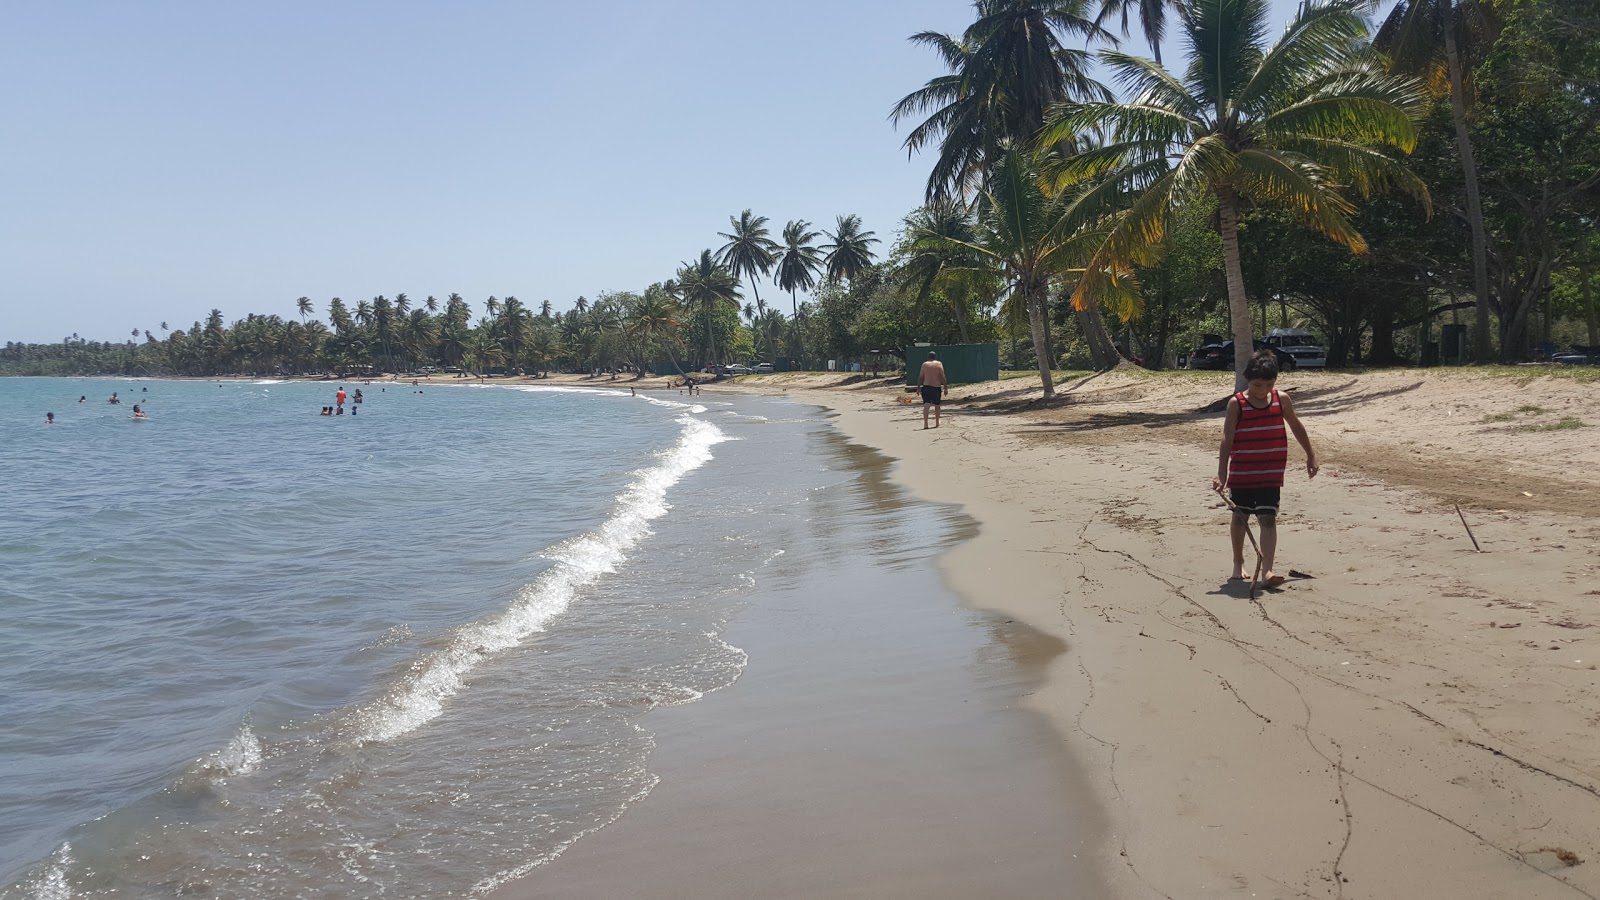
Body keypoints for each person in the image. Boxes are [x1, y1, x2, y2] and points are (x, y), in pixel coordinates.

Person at [1212, 351, 1319, 588]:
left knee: (1268, 518)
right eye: (1257, 385)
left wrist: (1310, 455)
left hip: (1270, 473)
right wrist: (1222, 474)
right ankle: (1238, 562)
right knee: (1240, 519)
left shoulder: (1281, 400)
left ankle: (1268, 570)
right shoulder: (1236, 403)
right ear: (1247, 379)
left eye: (1269, 384)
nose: (1262, 390)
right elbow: (1226, 439)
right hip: (1242, 473)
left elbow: (1297, 427)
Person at [918, 351, 947, 429]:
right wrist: (945, 387)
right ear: (935, 357)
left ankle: (926, 424)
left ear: (928, 357)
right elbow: (942, 376)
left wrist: (918, 387)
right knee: (937, 405)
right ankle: (937, 422)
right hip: (936, 387)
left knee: (926, 405)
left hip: (926, 386)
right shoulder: (939, 364)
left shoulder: (924, 364)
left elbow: (921, 377)